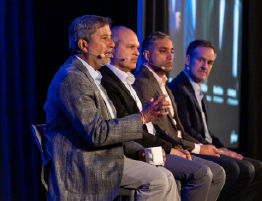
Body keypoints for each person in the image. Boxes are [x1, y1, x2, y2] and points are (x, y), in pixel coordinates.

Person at [43, 15, 180, 201]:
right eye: (104, 38)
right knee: (159, 180)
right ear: (84, 45)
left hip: (104, 157)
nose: (112, 44)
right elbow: (97, 134)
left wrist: (138, 151)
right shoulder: (72, 78)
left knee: (167, 176)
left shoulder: (92, 77)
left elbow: (111, 127)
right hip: (85, 165)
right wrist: (142, 118)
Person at [133, 32, 262, 201]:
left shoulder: (164, 84)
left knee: (255, 168)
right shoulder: (146, 83)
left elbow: (179, 130)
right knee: (230, 170)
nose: (170, 56)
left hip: (181, 146)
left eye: (172, 52)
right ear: (146, 55)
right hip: (164, 149)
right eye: (163, 51)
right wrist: (199, 148)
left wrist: (215, 148)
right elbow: (165, 131)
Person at [100, 26, 226, 201]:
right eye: (131, 47)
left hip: (154, 146)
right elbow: (130, 129)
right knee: (201, 173)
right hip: (137, 150)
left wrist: (174, 147)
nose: (136, 52)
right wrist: (170, 148)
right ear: (112, 49)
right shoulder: (127, 82)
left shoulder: (130, 81)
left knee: (217, 172)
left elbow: (155, 128)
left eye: (137, 47)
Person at [168, 40, 262, 200]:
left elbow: (206, 131)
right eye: (200, 60)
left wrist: (223, 148)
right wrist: (214, 149)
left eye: (209, 62)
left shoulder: (198, 90)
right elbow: (186, 130)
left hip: (208, 146)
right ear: (187, 60)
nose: (205, 66)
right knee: (239, 170)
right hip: (194, 148)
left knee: (259, 169)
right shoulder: (178, 88)